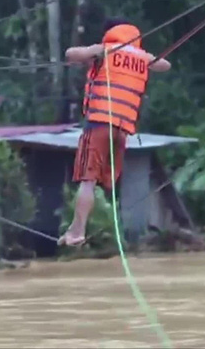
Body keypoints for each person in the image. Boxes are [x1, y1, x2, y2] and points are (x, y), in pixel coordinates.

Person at [60, 19, 171, 247]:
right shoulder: (142, 57)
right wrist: (145, 57)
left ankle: (77, 232)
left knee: (87, 180)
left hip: (100, 123)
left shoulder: (105, 50)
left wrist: (93, 52)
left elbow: (70, 54)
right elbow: (165, 65)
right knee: (106, 180)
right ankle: (85, 228)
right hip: (123, 129)